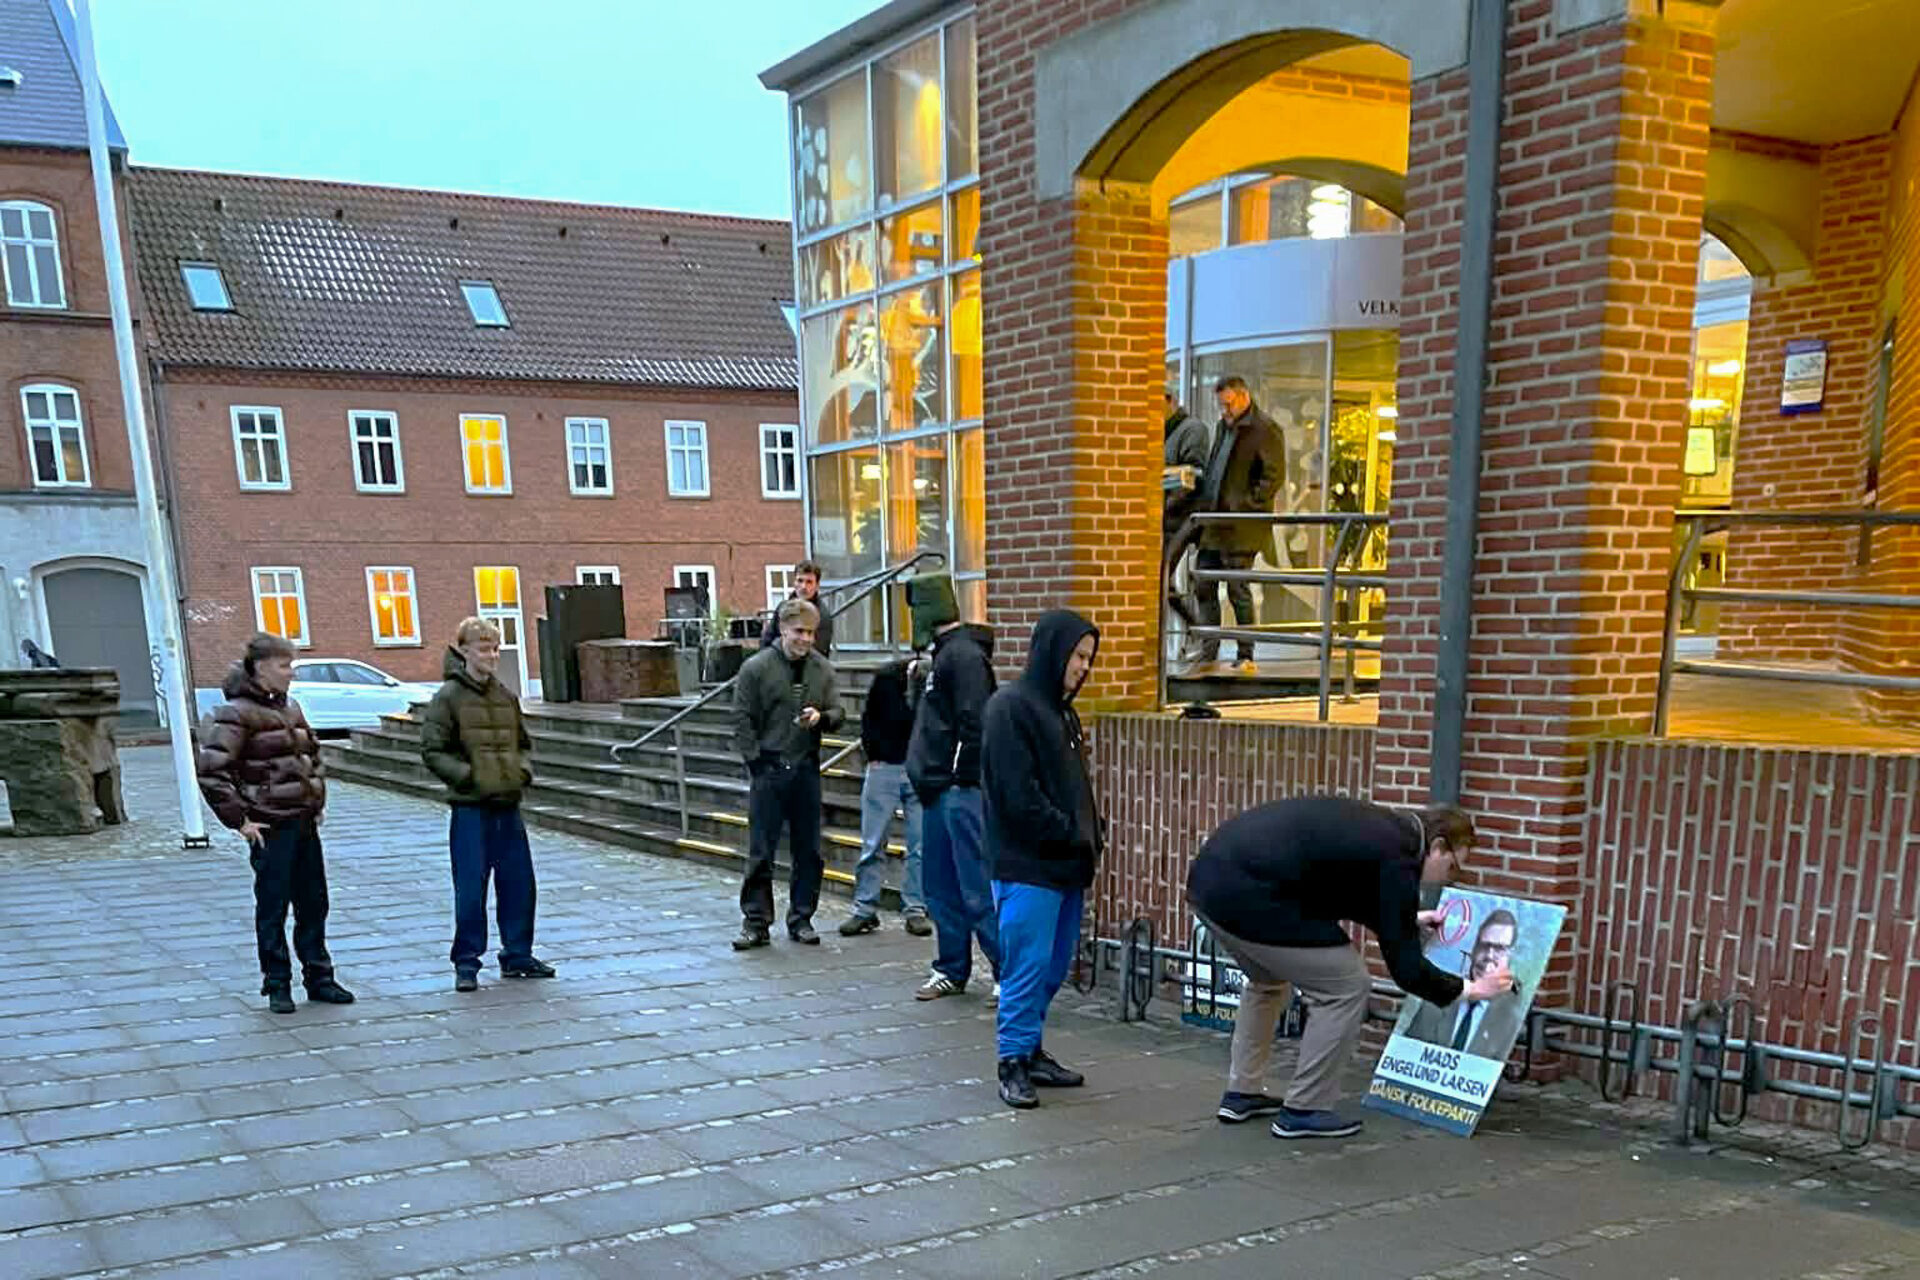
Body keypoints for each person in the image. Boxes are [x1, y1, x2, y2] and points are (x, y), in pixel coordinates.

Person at [1185, 796, 1513, 1139]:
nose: (1447, 880)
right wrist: (1471, 989)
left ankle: (1241, 1094)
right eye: (1452, 869)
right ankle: (1304, 1110)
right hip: (1250, 897)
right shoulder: (1400, 859)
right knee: (1346, 986)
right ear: (1438, 847)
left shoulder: (1383, 831)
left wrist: (1406, 920)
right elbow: (1407, 970)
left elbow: (1339, 890)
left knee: (1267, 981)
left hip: (1209, 886)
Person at [196, 631, 354, 1014]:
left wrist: (315, 798)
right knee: (273, 908)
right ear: (261, 667)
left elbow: (312, 755)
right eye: (285, 666)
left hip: (303, 821)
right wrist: (240, 821)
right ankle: (277, 983)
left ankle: (319, 977)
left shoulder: (291, 708)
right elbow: (213, 771)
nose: (291, 673)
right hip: (270, 827)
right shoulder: (235, 713)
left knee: (314, 904)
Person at [982, 610, 1103, 1109]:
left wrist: (1091, 831)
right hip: (1027, 865)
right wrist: (1072, 832)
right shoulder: (1010, 709)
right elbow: (1018, 796)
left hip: (1065, 864)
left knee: (1051, 968)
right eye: (1078, 656)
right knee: (1026, 967)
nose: (1083, 667)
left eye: (1089, 658)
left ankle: (1030, 1049)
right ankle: (1011, 1060)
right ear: (1054, 652)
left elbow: (1071, 785)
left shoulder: (1062, 713)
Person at [420, 617, 555, 991]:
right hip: (471, 808)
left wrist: (521, 772)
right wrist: (469, 777)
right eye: (484, 649)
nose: (492, 656)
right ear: (464, 651)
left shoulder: (505, 696)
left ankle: (518, 954)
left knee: (519, 885)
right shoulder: (447, 698)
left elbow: (523, 744)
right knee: (470, 888)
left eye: (495, 648)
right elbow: (432, 750)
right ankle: (466, 962)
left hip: (508, 804)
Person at [904, 572, 1001, 1002]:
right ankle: (951, 967)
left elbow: (976, 722)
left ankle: (1004, 973)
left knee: (974, 887)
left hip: (956, 789)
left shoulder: (960, 657)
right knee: (944, 888)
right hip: (941, 788)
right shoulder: (950, 656)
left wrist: (961, 778)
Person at [732, 597, 844, 949]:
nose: (806, 639)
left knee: (808, 850)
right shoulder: (756, 668)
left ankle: (802, 918)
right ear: (782, 629)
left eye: (811, 633)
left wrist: (822, 718)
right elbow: (742, 718)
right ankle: (756, 922)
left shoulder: (822, 669)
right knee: (761, 850)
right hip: (769, 766)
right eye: (799, 632)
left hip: (805, 767)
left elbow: (839, 712)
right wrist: (755, 762)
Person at [1188, 375, 1286, 674]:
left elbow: (1272, 477)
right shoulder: (1223, 427)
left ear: (1244, 397)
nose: (1224, 410)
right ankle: (1209, 649)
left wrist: (1246, 505)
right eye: (1221, 405)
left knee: (1237, 589)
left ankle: (1246, 653)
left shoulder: (1265, 429)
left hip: (1240, 525)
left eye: (1228, 404)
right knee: (1204, 583)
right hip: (1214, 522)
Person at [840, 653, 931, 937]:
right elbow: (869, 719)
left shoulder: (934, 683)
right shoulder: (886, 680)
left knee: (919, 845)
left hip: (918, 767)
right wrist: (874, 755)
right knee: (873, 841)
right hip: (886, 765)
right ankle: (864, 908)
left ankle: (915, 908)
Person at [1404, 909, 1527, 1057]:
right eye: (1484, 945)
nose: (1489, 955)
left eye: (1499, 948)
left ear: (1510, 956)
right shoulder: (1435, 1003)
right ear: (1474, 949)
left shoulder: (1510, 1018)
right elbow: (1406, 1053)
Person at [1163, 391, 1211, 654]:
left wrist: (1167, 505)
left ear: (1170, 401)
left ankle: (1199, 632)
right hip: (1168, 517)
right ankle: (1197, 630)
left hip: (1181, 517)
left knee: (1161, 576)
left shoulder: (1192, 430)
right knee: (1162, 580)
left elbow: (1193, 475)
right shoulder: (1163, 432)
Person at [760, 560, 834, 659]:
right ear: (794, 583)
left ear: (817, 586)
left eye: (809, 582)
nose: (804, 586)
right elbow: (767, 641)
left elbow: (817, 653)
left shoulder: (822, 616)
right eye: (800, 581)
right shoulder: (782, 608)